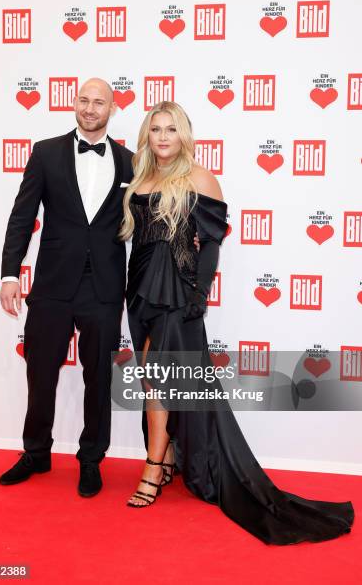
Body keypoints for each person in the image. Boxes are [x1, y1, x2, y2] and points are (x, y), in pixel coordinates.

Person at [118, 101, 354, 544]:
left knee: (158, 377)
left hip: (176, 292)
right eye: (156, 129)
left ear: (184, 135)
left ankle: (152, 469)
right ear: (146, 136)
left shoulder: (200, 178)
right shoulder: (139, 176)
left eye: (172, 129)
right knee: (155, 381)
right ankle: (166, 455)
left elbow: (209, 244)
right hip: (140, 291)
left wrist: (198, 293)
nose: (163, 137)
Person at [0, 78, 134, 497]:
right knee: (40, 373)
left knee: (98, 377)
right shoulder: (46, 152)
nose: (90, 108)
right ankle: (36, 452)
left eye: (99, 102)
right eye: (84, 100)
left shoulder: (132, 161)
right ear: (74, 104)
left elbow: (146, 222)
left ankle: (91, 458)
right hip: (54, 283)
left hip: (104, 285)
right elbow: (22, 217)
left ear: (112, 109)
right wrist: (8, 275)